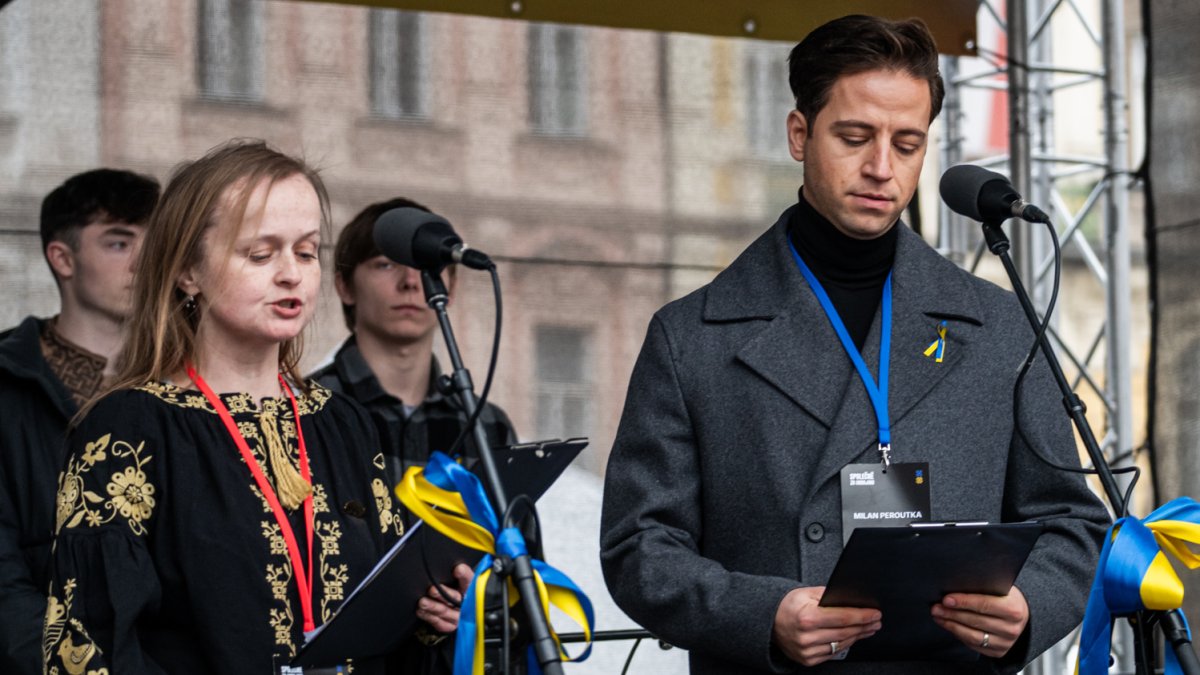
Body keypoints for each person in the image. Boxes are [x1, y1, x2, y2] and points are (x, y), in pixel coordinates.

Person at [599, 14, 1109, 674]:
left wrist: (1030, 603)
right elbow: (639, 546)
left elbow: (1072, 521)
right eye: (854, 136)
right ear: (799, 133)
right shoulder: (689, 336)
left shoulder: (1000, 324)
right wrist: (763, 614)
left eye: (907, 144)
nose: (880, 168)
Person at [40, 140, 450, 674]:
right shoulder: (130, 427)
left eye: (305, 252)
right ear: (188, 271)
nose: (291, 273)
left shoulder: (341, 422)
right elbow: (89, 644)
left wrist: (433, 615)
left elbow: (387, 616)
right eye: (260, 253)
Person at [310, 197, 518, 660]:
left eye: (429, 266)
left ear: (453, 284)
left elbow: (521, 565)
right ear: (344, 285)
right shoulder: (306, 410)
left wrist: (480, 599)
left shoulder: (485, 423)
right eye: (385, 264)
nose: (410, 281)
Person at [0, 168, 159, 675]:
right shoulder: (8, 385)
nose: (144, 261)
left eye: (153, 243)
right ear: (62, 258)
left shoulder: (186, 383)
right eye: (118, 243)